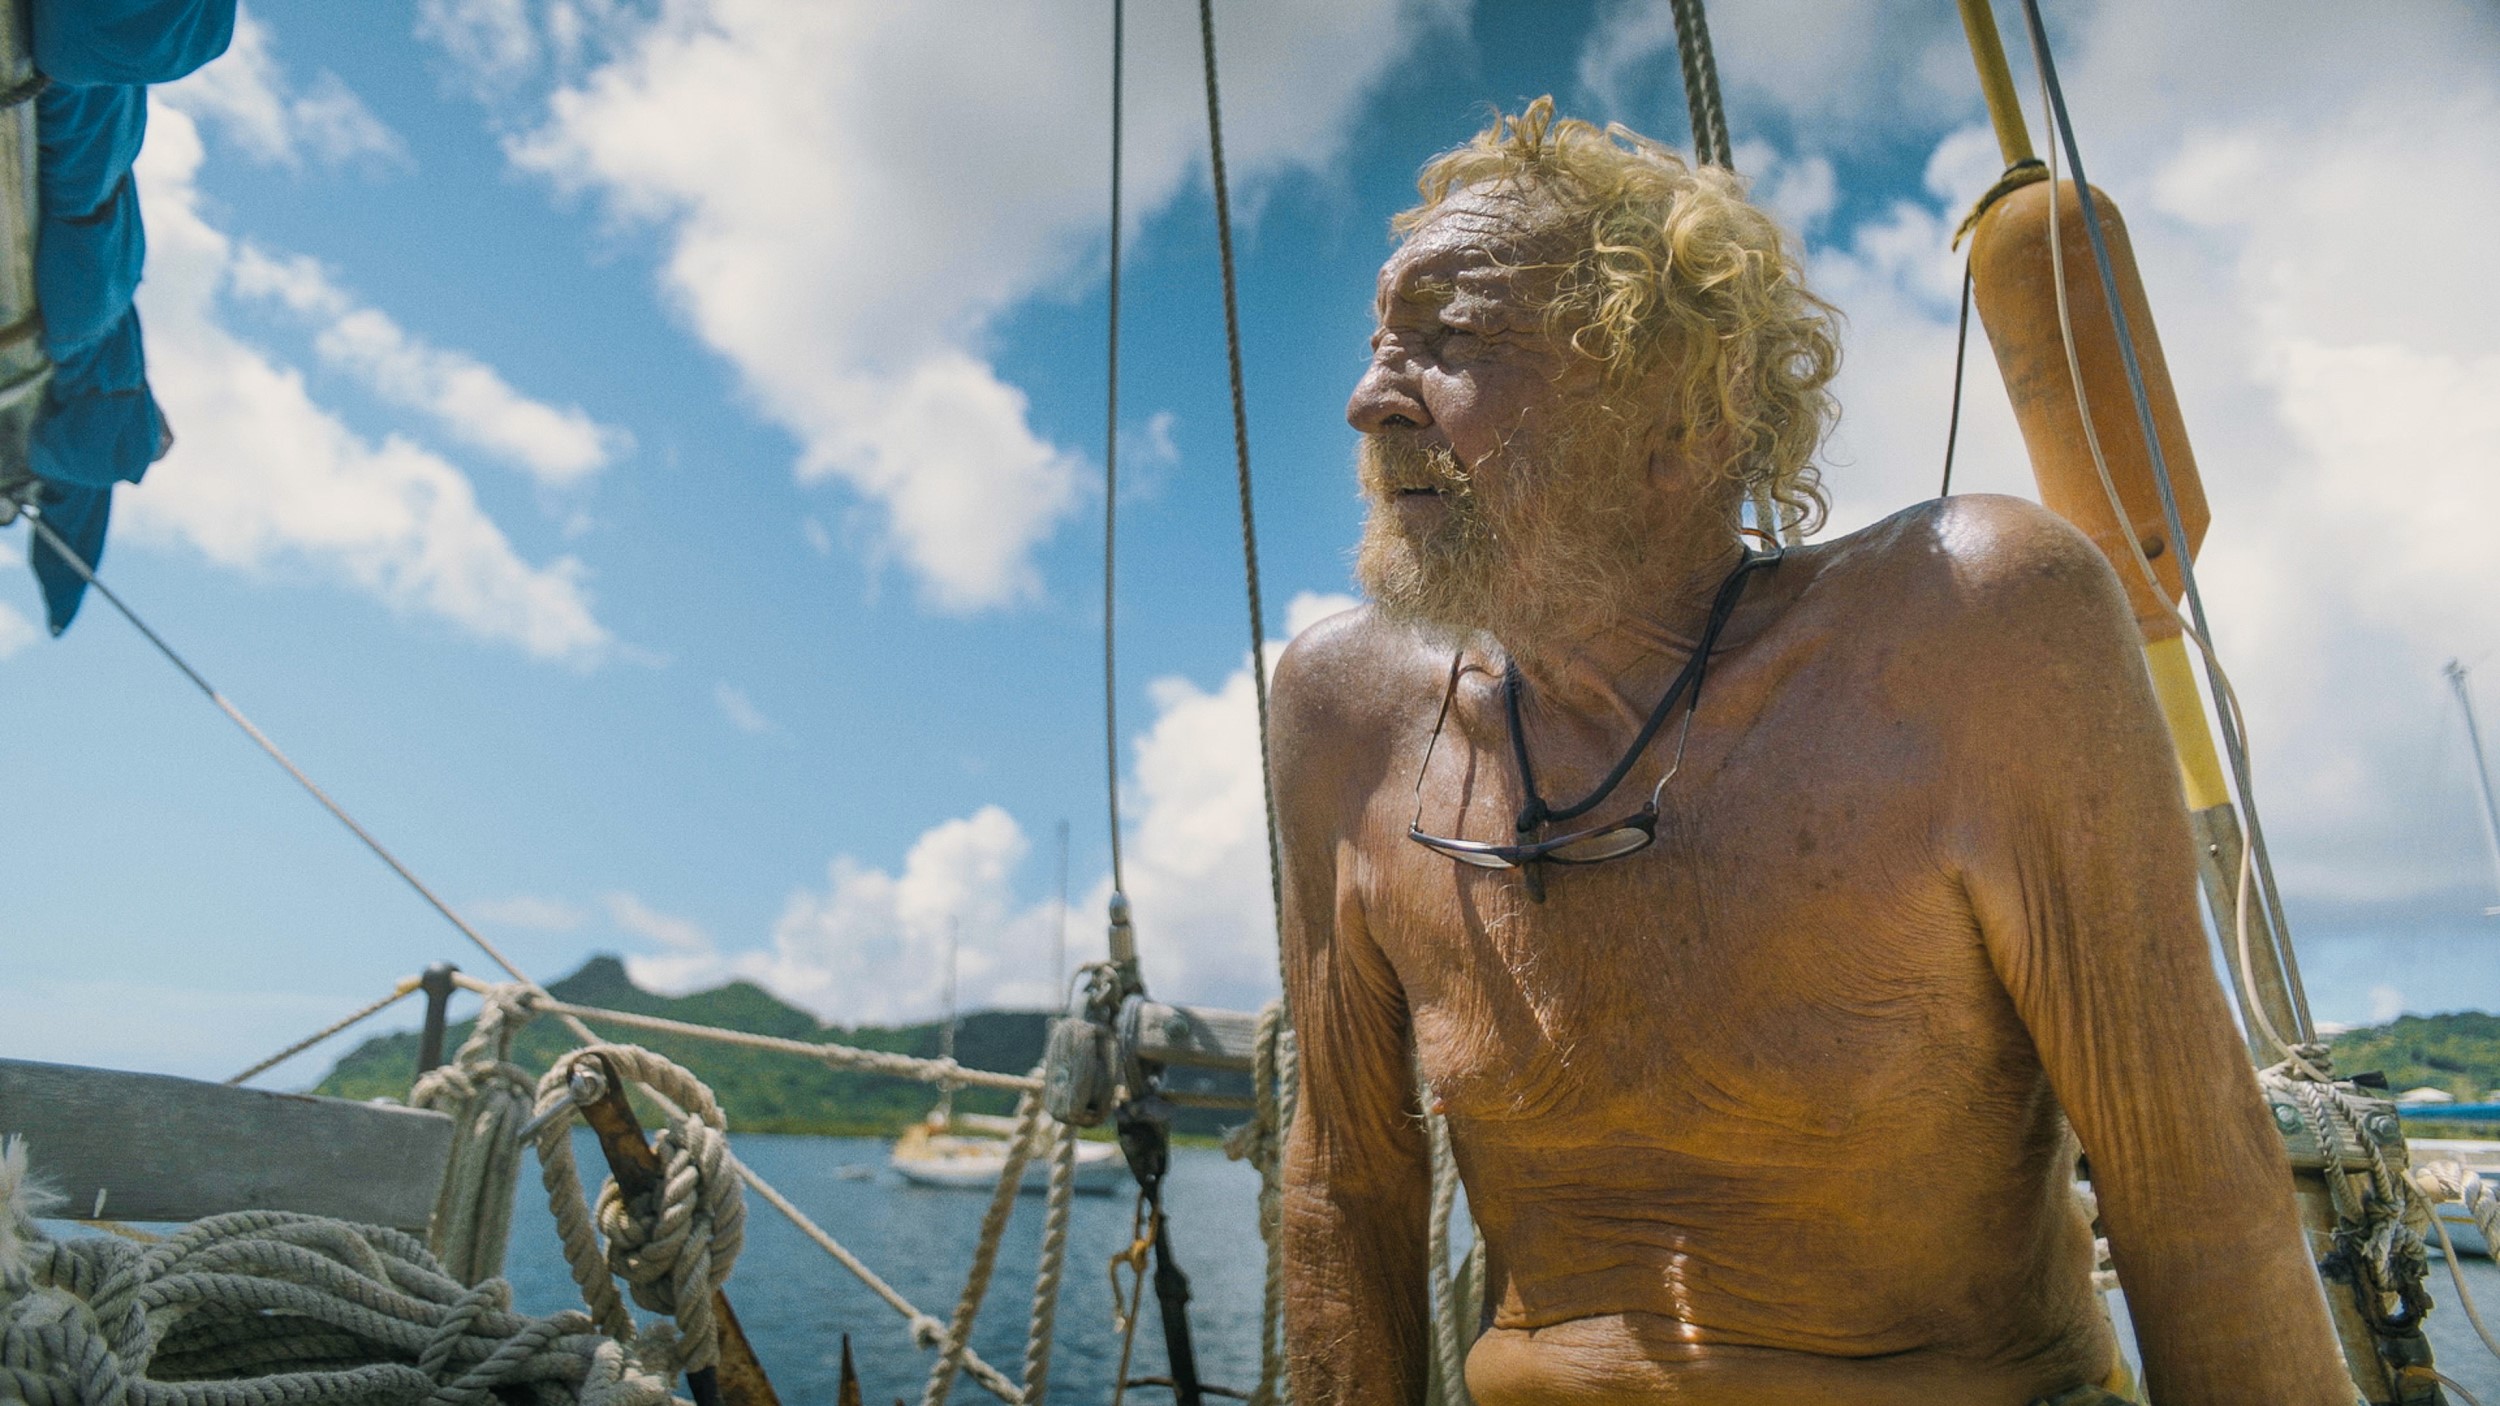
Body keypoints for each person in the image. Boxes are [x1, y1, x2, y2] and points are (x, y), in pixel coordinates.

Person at [1266, 98, 2350, 1406]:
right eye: (1382, 345)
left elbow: (2194, 1184)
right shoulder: (1346, 718)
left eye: (1453, 341)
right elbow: (1344, 1189)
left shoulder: (1970, 630)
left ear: (1684, 412)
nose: (1368, 403)